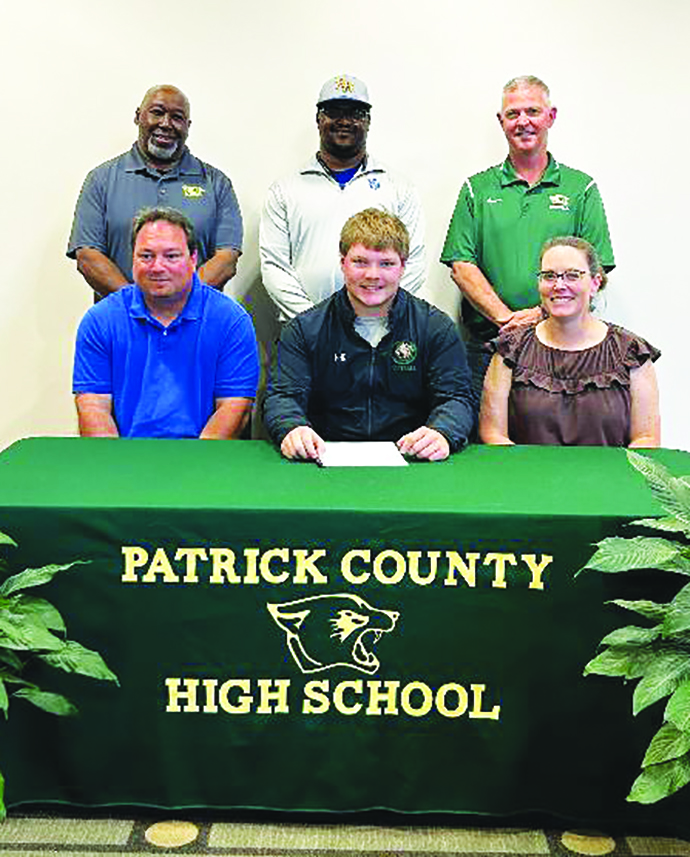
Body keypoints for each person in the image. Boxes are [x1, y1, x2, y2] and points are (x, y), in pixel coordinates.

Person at [440, 75, 615, 407]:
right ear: (501, 121)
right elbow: (462, 266)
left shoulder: (581, 189)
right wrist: (507, 321)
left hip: (566, 345)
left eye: (533, 111)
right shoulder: (476, 189)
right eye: (513, 114)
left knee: (561, 448)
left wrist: (540, 315)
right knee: (489, 449)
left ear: (551, 116)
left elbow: (597, 269)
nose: (523, 122)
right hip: (489, 345)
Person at [264, 208, 473, 461]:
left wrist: (442, 432)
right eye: (360, 262)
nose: (372, 275)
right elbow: (282, 397)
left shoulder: (435, 328)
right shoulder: (303, 330)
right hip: (323, 462)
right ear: (343, 262)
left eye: (386, 263)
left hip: (412, 461)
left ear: (403, 266)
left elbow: (458, 399)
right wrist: (291, 427)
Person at [73, 207, 259, 439]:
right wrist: (115, 466)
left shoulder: (231, 321)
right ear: (133, 259)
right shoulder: (100, 320)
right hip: (123, 460)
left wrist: (194, 469)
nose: (157, 267)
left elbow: (235, 408)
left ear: (193, 259)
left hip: (204, 462)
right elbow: (93, 408)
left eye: (171, 256)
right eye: (146, 256)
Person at [260, 74, 426, 322]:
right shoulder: (285, 189)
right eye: (334, 112)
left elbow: (412, 263)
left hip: (380, 330)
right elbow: (274, 267)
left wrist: (375, 314)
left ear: (368, 121)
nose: (344, 121)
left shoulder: (399, 188)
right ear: (318, 119)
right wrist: (313, 322)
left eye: (355, 113)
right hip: (304, 332)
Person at [479, 236, 660, 447]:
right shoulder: (509, 351)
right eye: (549, 276)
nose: (559, 285)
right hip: (528, 477)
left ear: (595, 283)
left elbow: (646, 439)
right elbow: (493, 435)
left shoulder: (632, 353)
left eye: (572, 275)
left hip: (608, 479)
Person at [68, 85, 242, 298]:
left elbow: (226, 259)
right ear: (138, 116)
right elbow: (87, 256)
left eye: (177, 117)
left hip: (197, 325)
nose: (166, 124)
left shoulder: (217, 184)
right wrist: (136, 307)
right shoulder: (101, 180)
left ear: (188, 126)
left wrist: (179, 304)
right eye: (157, 112)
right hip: (121, 324)